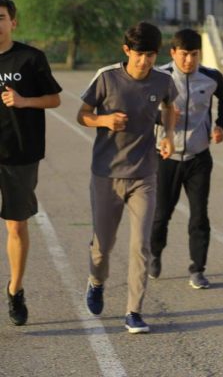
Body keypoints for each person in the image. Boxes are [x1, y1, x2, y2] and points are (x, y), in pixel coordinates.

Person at [77, 21, 177, 334]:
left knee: (140, 245)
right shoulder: (106, 77)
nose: (144, 61)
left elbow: (170, 107)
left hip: (144, 174)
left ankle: (134, 311)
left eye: (150, 55)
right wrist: (104, 120)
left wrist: (168, 135)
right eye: (139, 54)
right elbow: (82, 114)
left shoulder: (163, 80)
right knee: (102, 246)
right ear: (126, 50)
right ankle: (96, 281)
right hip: (106, 175)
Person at [149, 29, 223, 289]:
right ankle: (154, 254)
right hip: (166, 156)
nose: (189, 60)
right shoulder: (159, 76)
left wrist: (220, 124)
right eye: (184, 54)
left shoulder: (210, 77)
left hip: (198, 157)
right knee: (161, 214)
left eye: (194, 55)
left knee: (199, 216)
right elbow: (142, 105)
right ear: (173, 52)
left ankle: (197, 269)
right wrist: (161, 115)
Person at [0, 0, 62, 326]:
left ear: (13, 22)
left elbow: (54, 99)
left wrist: (24, 101)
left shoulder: (30, 58)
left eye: (1, 18)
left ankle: (15, 289)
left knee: (16, 224)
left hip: (20, 154)